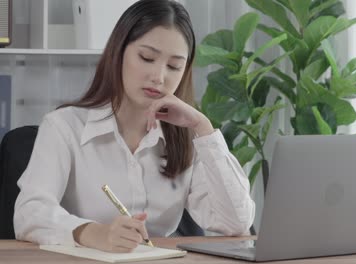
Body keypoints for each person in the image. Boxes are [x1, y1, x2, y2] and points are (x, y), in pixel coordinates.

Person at [13, 0, 255, 253]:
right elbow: (30, 212)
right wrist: (93, 232)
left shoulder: (186, 138)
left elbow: (236, 224)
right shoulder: (64, 126)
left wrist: (203, 128)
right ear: (118, 53)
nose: (159, 77)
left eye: (174, 66)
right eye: (147, 57)